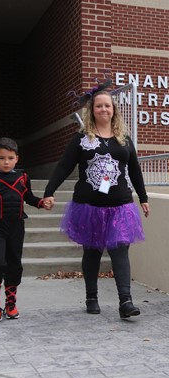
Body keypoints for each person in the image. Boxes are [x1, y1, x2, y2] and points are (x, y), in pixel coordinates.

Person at [43, 82, 150, 319]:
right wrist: (49, 191)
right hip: (89, 206)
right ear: (92, 110)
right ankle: (91, 297)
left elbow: (134, 170)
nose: (104, 109)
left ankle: (126, 302)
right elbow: (64, 166)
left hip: (120, 205)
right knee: (91, 253)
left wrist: (143, 198)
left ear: (114, 109)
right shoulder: (82, 138)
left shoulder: (124, 139)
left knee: (120, 251)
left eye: (107, 106)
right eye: (99, 106)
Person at [0, 137, 52, 323]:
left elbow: (28, 197)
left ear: (16, 159)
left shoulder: (22, 178)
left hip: (16, 227)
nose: (6, 162)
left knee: (14, 264)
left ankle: (11, 303)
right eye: (2, 158)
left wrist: (41, 203)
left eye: (10, 158)